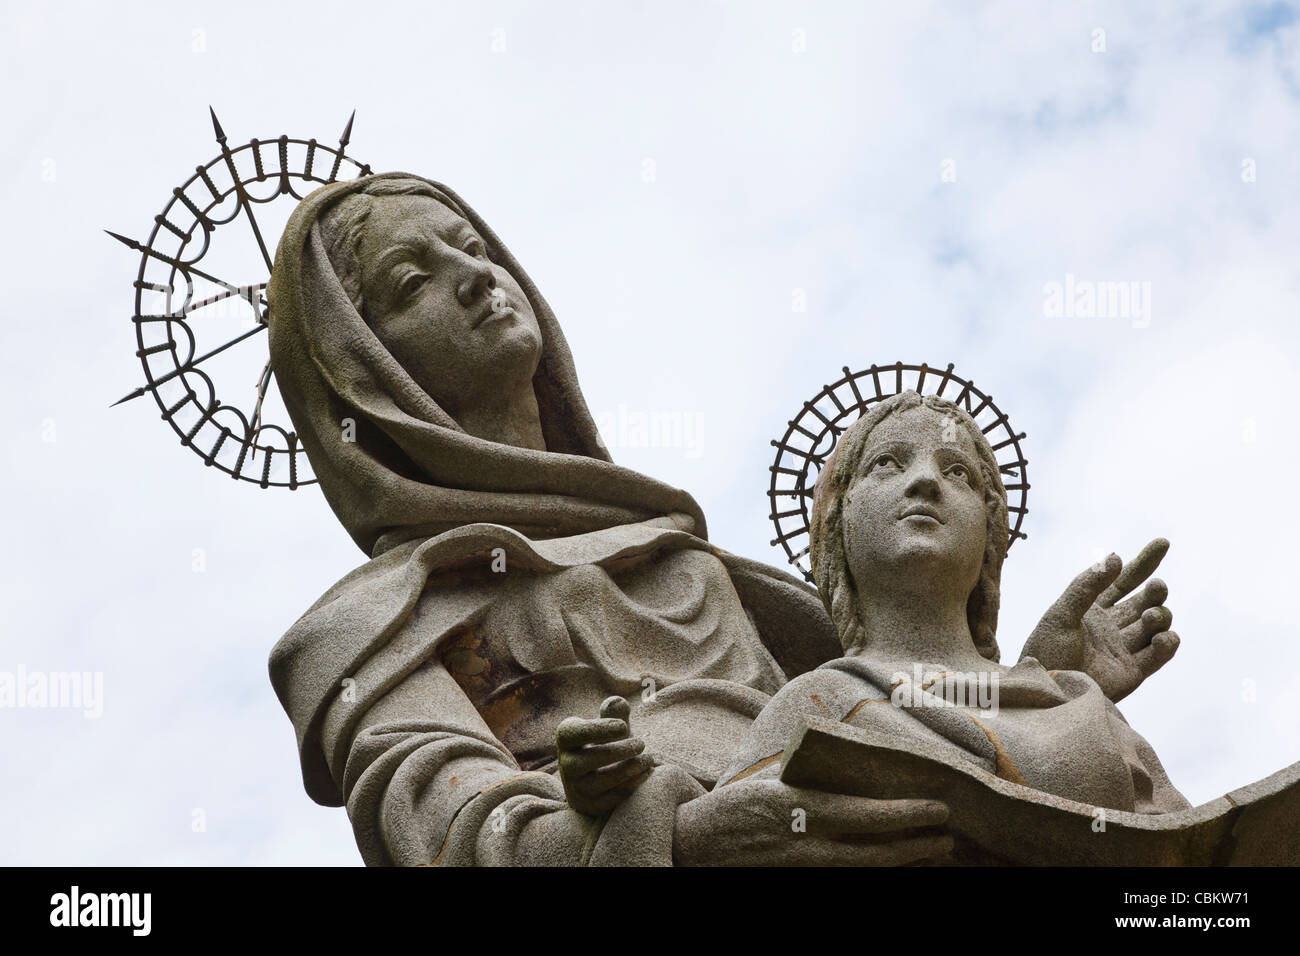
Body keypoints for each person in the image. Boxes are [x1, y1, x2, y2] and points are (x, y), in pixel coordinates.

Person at [266, 174, 1180, 865]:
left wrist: (1033, 683)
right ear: (361, 369)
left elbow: (887, 721)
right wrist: (678, 837)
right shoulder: (371, 623)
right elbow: (450, 833)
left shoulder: (672, 545)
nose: (474, 278)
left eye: (475, 248)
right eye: (411, 280)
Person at [709, 391, 1190, 831]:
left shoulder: (1079, 705)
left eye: (957, 471)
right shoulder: (815, 703)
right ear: (840, 521)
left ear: (990, 530)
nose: (924, 481)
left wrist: (1045, 683)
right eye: (886, 464)